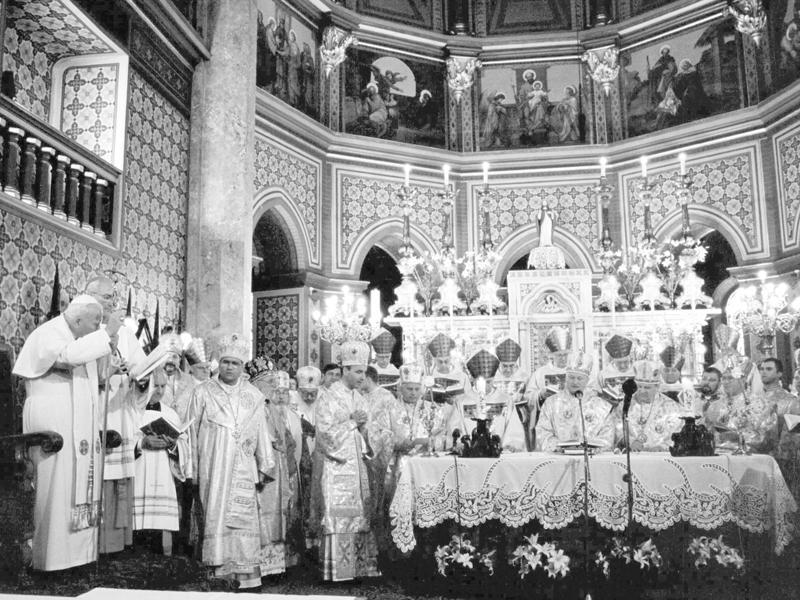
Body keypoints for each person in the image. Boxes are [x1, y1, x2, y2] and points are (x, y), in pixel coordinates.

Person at [13, 295, 122, 571]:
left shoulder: (80, 339)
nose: (99, 326)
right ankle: (49, 560)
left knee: (75, 484)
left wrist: (110, 349)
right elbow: (67, 357)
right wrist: (106, 335)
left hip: (78, 425)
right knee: (55, 487)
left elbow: (97, 380)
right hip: (54, 423)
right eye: (96, 322)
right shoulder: (49, 334)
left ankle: (77, 558)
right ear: (77, 319)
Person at [187, 334, 276, 590]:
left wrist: (265, 465)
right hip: (213, 467)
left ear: (241, 366)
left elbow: (261, 432)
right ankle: (216, 571)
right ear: (219, 363)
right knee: (214, 514)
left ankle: (246, 576)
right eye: (225, 362)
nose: (229, 367)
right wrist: (192, 467)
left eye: (235, 363)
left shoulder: (253, 396)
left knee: (244, 518)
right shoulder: (202, 391)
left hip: (244, 468)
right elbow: (191, 432)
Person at [85, 275, 146, 556]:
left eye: (114, 298)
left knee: (116, 480)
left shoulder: (126, 334)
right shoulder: (82, 327)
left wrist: (142, 380)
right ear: (89, 296)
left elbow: (140, 368)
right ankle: (87, 546)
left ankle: (113, 545)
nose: (113, 303)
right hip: (91, 411)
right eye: (108, 297)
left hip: (118, 411)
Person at [312, 340, 380, 581]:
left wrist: (364, 430)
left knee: (359, 516)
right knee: (340, 517)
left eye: (364, 371)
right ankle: (340, 572)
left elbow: (367, 437)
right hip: (337, 467)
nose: (363, 376)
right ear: (345, 371)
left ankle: (358, 570)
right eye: (358, 371)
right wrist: (352, 422)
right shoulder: (329, 397)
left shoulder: (359, 398)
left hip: (357, 469)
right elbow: (325, 436)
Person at [245, 360, 300, 574]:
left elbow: (285, 439)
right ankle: (259, 565)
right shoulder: (251, 405)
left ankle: (274, 566)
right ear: (256, 383)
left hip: (277, 468)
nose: (272, 386)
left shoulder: (272, 408)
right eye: (268, 381)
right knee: (262, 515)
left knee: (276, 514)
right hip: (260, 468)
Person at [131, 368, 190, 554]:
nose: (160, 391)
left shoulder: (171, 414)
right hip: (138, 474)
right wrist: (142, 442)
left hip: (163, 475)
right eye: (155, 386)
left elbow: (183, 445)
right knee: (136, 531)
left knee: (158, 533)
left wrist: (173, 445)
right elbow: (124, 442)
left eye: (163, 386)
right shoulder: (132, 411)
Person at [535, 350, 615, 452]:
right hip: (560, 459)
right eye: (571, 377)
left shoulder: (601, 406)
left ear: (587, 380)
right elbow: (543, 432)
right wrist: (559, 447)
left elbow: (607, 436)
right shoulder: (551, 403)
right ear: (566, 378)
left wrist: (592, 448)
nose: (575, 382)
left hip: (591, 460)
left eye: (579, 378)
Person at [450, 349, 527, 452]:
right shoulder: (462, 402)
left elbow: (514, 430)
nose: (485, 386)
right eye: (481, 382)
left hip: (499, 457)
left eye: (489, 382)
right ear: (473, 380)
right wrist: (461, 444)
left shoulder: (505, 400)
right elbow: (455, 428)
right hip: (470, 457)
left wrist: (510, 445)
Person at [524, 326, 571, 444]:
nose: (563, 358)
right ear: (551, 354)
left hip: (572, 419)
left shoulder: (575, 372)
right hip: (549, 420)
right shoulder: (540, 373)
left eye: (565, 354)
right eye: (560, 355)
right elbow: (528, 397)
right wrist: (540, 394)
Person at [623, 360, 683, 452]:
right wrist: (631, 442)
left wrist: (662, 447)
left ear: (657, 387)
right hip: (631, 456)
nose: (642, 391)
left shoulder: (671, 408)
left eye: (647, 387)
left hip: (660, 458)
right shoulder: (626, 405)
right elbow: (618, 431)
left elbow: (678, 434)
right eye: (639, 387)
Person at [292, 365, 321, 549]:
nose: (310, 397)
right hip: (298, 453)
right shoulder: (290, 402)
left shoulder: (325, 401)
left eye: (313, 393)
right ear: (298, 389)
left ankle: (316, 539)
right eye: (305, 393)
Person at [493, 338, 530, 447]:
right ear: (499, 363)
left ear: (516, 363)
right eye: (505, 366)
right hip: (498, 420)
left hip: (518, 420)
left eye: (511, 366)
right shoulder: (493, 377)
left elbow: (529, 401)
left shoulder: (524, 377)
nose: (508, 370)